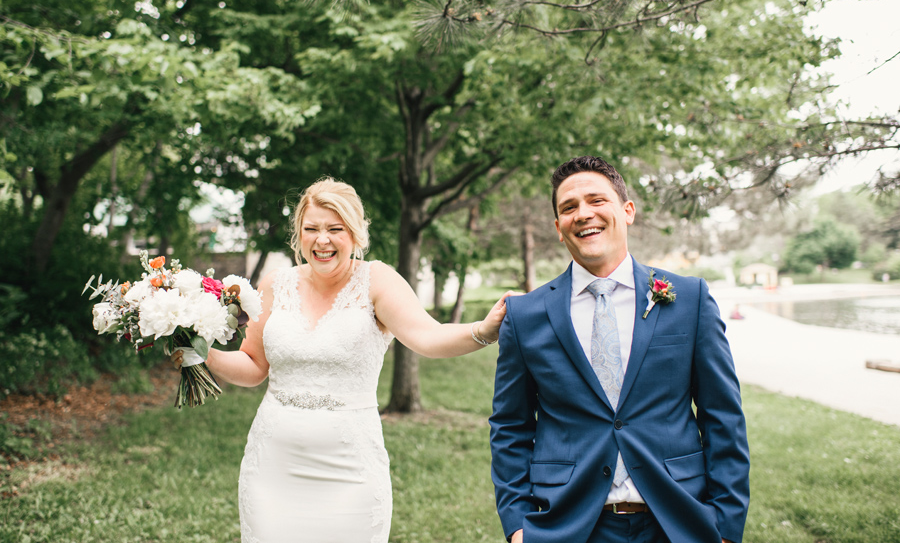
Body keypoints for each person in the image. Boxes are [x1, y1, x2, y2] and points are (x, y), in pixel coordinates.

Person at [173, 177, 513, 543]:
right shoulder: (275, 284)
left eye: (335, 229)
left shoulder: (377, 281)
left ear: (355, 233)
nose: (322, 240)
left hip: (350, 474)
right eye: (312, 229)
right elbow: (254, 367)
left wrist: (484, 330)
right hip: (271, 469)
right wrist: (199, 353)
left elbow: (428, 337)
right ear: (298, 233)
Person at [489, 156, 750, 543]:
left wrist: (726, 526)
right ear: (558, 228)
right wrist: (518, 527)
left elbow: (722, 416)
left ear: (627, 211)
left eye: (597, 200)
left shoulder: (690, 299)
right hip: (568, 526)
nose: (583, 214)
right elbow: (510, 426)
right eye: (568, 207)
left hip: (679, 522)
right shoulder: (525, 315)